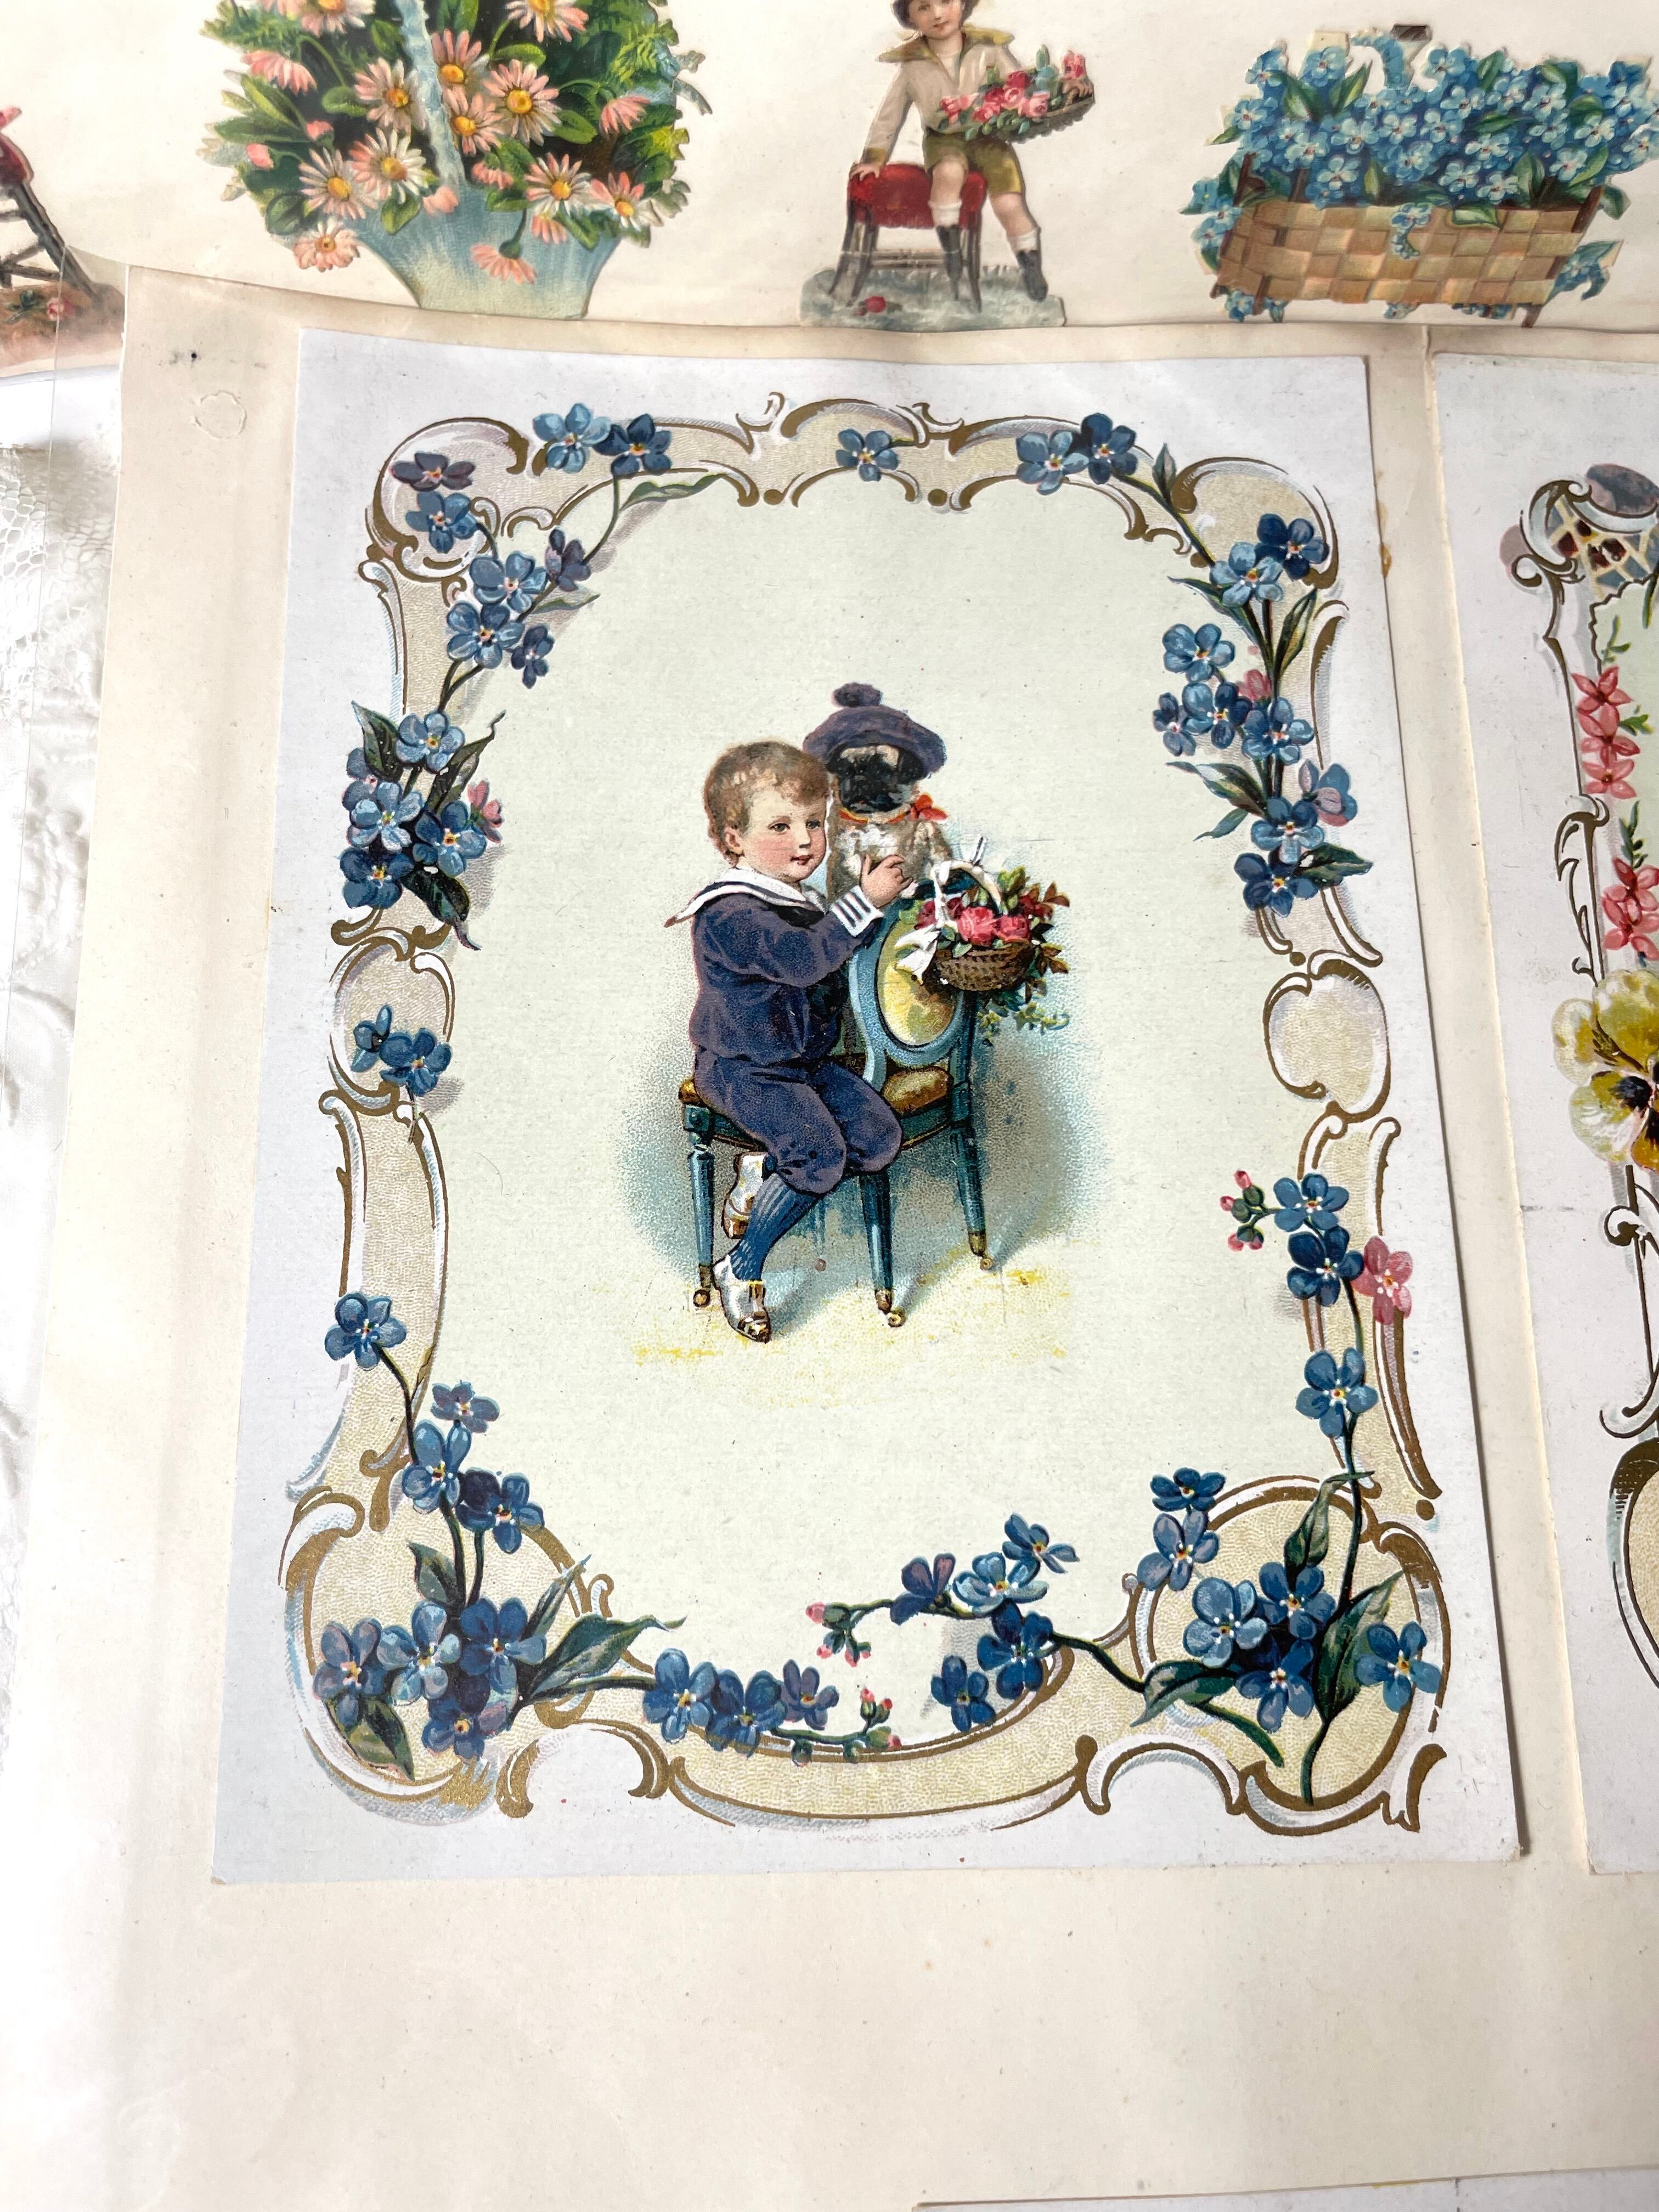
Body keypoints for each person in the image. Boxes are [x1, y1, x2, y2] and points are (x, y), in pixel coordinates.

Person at [668, 742, 909, 1343]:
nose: (804, 841)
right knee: (820, 1156)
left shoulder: (798, 900)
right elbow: (803, 959)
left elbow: (830, 945)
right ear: (734, 839)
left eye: (813, 823)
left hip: (801, 1064)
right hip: (741, 1069)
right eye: (781, 827)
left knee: (878, 1138)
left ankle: (762, 1168)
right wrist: (866, 902)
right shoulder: (730, 913)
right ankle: (742, 1267)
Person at [854, 0, 1048, 302]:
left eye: (946, 2)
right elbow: (889, 116)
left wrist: (1026, 104)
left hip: (990, 138)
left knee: (1010, 204)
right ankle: (952, 248)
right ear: (909, 17)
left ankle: (1030, 267)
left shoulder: (989, 49)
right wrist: (874, 157)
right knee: (948, 173)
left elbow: (1019, 88)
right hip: (944, 140)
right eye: (923, 7)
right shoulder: (912, 64)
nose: (937, 14)